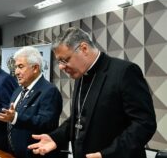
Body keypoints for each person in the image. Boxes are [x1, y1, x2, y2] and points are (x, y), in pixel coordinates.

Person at [28, 27, 157, 158]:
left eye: (65, 60)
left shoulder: (125, 72)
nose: (61, 67)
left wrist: (107, 154)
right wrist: (56, 137)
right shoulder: (81, 75)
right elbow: (79, 119)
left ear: (84, 49)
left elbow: (144, 123)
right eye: (59, 61)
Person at [0, 46, 63, 158]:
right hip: (13, 152)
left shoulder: (49, 91)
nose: (16, 72)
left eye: (20, 67)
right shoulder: (17, 90)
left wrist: (16, 117)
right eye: (15, 67)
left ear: (35, 68)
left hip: (34, 154)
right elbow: (9, 115)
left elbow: (47, 123)